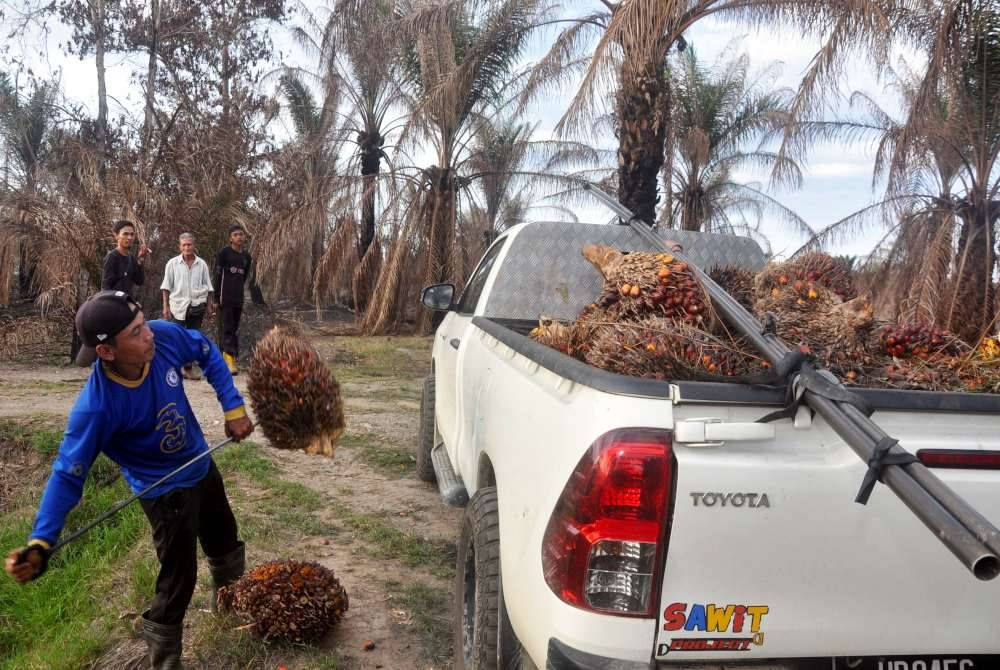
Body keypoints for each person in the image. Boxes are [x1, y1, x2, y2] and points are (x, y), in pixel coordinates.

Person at [4, 290, 253, 670]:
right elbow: (67, 475)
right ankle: (164, 658)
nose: (149, 334)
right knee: (178, 579)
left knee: (225, 542)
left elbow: (204, 349)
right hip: (164, 492)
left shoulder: (162, 338)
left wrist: (233, 407)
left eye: (144, 323)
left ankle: (232, 608)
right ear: (107, 352)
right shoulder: (97, 408)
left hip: (201, 466)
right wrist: (42, 540)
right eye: (136, 332)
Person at [161, 233, 215, 380]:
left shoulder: (202, 264)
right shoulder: (172, 264)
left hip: (197, 306)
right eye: (184, 245)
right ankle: (173, 369)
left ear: (194, 246)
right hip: (178, 306)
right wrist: (165, 307)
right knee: (175, 337)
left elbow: (208, 287)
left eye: (189, 244)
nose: (187, 247)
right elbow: (166, 287)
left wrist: (210, 306)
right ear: (180, 246)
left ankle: (188, 368)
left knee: (192, 337)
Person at [213, 224, 251, 375]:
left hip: (238, 298)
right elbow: (217, 276)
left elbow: (244, 277)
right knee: (227, 327)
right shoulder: (224, 253)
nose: (239, 237)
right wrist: (216, 298)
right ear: (230, 238)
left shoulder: (246, 257)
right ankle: (228, 360)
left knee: (234, 329)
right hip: (225, 297)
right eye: (235, 235)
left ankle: (230, 358)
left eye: (241, 234)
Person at [103, 220, 150, 297]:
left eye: (132, 234)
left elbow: (139, 281)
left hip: (126, 303)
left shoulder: (131, 258)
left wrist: (140, 260)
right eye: (125, 234)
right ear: (116, 235)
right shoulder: (112, 257)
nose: (129, 237)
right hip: (114, 303)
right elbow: (105, 289)